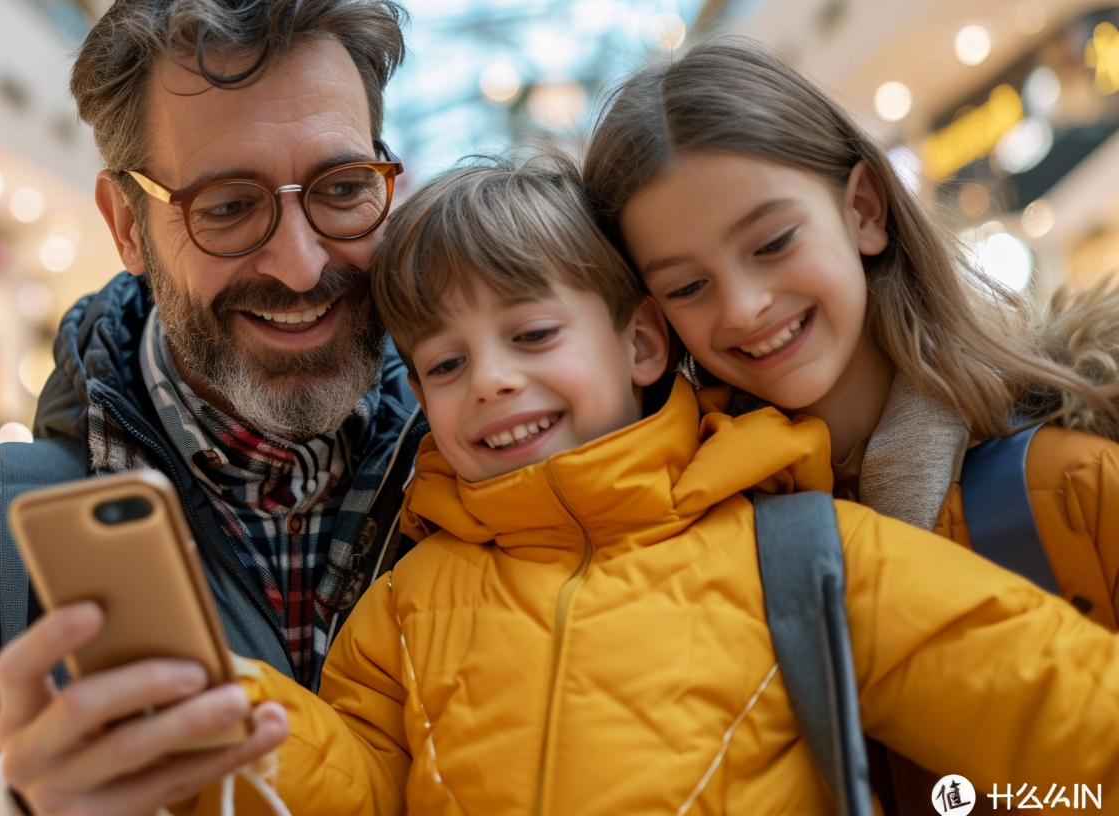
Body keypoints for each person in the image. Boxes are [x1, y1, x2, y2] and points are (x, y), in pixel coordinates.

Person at [200, 153, 1119, 816]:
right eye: (443, 364)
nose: (488, 380)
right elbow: (358, 789)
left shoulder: (800, 551)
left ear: (641, 343)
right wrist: (236, 715)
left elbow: (1064, 713)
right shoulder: (401, 609)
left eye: (531, 336)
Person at [0, 1, 424, 814]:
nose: (302, 265)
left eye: (342, 188)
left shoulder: (500, 479)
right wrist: (14, 804)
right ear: (127, 225)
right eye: (228, 207)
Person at [580, 35, 1119, 814]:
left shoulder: (1067, 480)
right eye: (689, 285)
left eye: (772, 242)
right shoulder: (691, 555)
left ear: (863, 210)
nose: (743, 306)